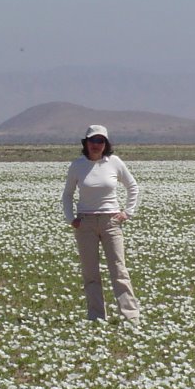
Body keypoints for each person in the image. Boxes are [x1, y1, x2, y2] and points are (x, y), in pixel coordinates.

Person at [61, 125, 141, 323]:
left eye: (100, 141)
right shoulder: (77, 165)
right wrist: (71, 219)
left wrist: (127, 213)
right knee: (90, 272)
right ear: (85, 143)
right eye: (92, 140)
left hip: (110, 222)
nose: (96, 145)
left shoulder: (114, 162)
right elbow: (67, 194)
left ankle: (131, 317)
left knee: (119, 270)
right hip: (85, 223)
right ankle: (96, 317)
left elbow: (133, 187)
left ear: (106, 144)